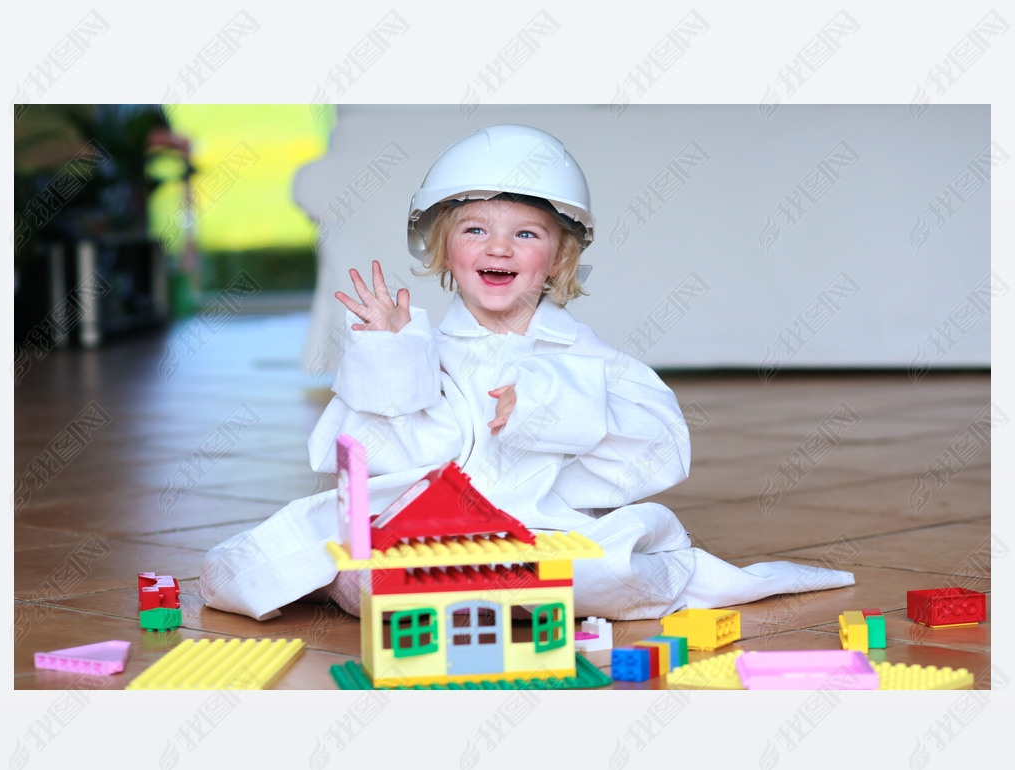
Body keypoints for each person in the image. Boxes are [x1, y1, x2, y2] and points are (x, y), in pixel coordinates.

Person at [198, 124, 854, 624]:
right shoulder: (422, 347)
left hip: (543, 529)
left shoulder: (585, 356)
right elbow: (379, 458)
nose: (499, 248)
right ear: (444, 252)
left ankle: (490, 591)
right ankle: (457, 588)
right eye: (476, 229)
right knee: (329, 557)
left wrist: (547, 401)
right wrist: (389, 359)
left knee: (607, 566)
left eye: (527, 234)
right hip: (428, 528)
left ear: (559, 256)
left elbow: (658, 447)